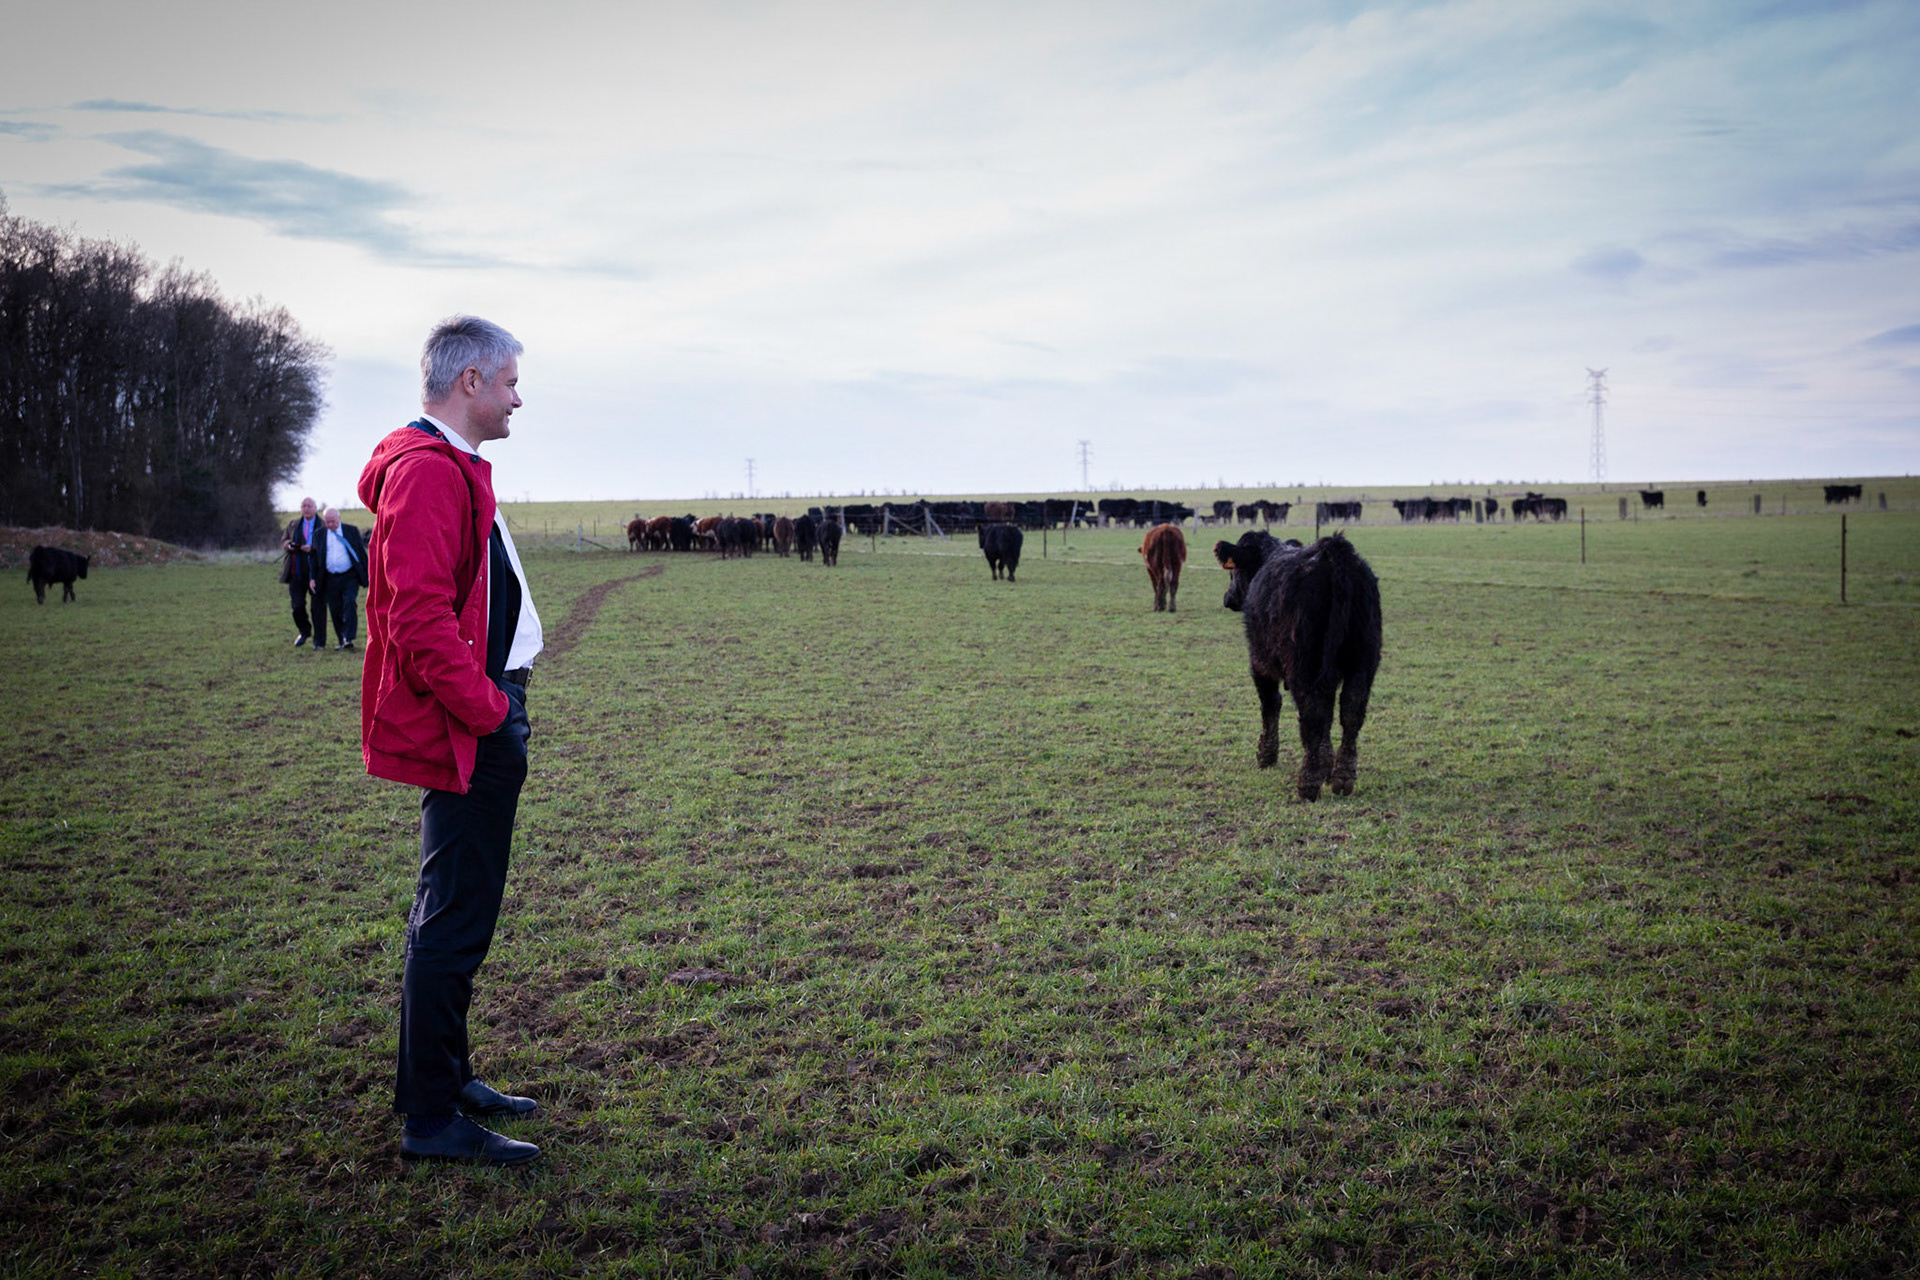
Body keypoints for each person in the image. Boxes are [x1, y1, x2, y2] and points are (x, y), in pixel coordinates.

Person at [357, 316, 545, 1166]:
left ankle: (448, 1076)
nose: (517, 399)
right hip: (472, 724)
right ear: (470, 382)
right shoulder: (430, 472)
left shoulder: (450, 466)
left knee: (457, 907)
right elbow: (419, 619)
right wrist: (492, 713)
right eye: (510, 383)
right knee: (454, 916)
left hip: (482, 713)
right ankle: (431, 1118)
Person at [311, 506, 369, 650]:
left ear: (339, 518)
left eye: (333, 521)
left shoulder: (351, 531)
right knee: (335, 609)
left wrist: (368, 574)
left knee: (349, 602)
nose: (330, 524)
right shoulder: (319, 534)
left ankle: (348, 637)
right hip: (330, 578)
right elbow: (314, 558)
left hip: (350, 576)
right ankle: (342, 639)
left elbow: (361, 553)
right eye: (328, 522)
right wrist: (312, 578)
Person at [279, 497, 324, 648]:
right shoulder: (293, 524)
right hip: (296, 572)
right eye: (303, 506)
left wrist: (313, 548)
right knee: (297, 606)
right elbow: (284, 540)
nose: (306, 509)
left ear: (315, 508)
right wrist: (289, 545)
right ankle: (304, 631)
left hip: (316, 572)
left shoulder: (323, 525)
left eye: (309, 506)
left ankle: (319, 641)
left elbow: (327, 544)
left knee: (317, 608)